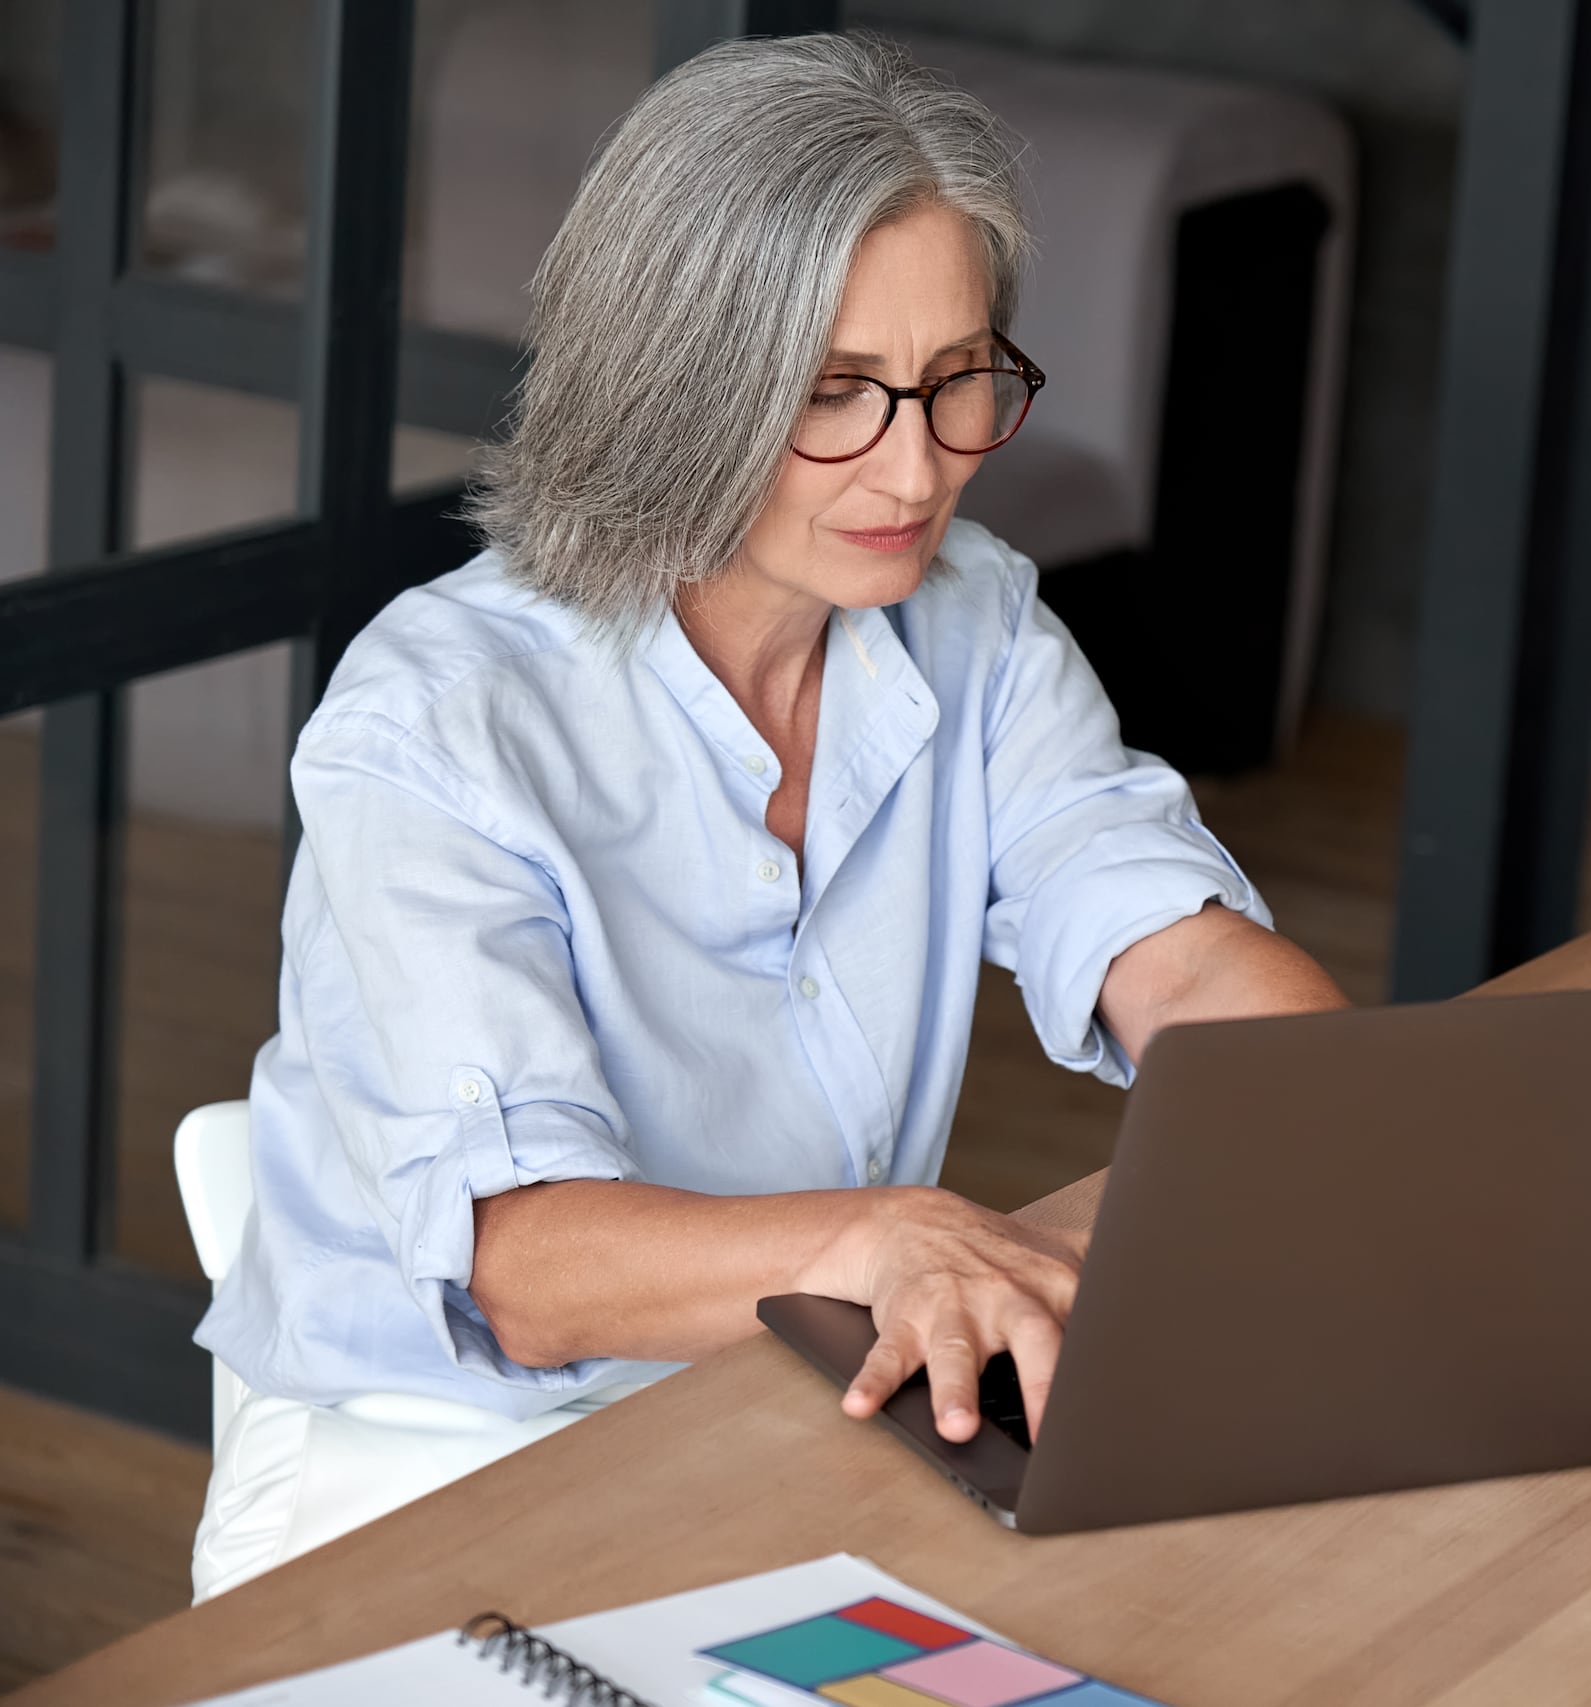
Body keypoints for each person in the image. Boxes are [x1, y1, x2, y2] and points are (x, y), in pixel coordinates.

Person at [190, 31, 1348, 1599]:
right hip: (440, 1454)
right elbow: (529, 1270)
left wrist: (1332, 1131)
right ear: (679, 389)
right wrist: (887, 1238)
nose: (918, 470)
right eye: (836, 396)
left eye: (959, 381)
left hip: (791, 1395)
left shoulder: (975, 623)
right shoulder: (438, 723)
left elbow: (1178, 951)